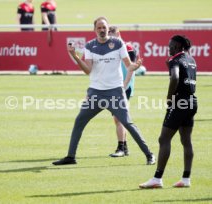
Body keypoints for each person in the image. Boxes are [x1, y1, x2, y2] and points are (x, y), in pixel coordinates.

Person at [52, 17, 155, 166]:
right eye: (99, 27)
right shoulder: (89, 46)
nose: (102, 30)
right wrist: (74, 56)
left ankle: (149, 154)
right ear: (94, 30)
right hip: (95, 93)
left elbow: (128, 65)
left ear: (108, 29)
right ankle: (71, 156)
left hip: (115, 93)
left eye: (104, 27)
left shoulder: (118, 43)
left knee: (127, 123)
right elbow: (87, 70)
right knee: (79, 121)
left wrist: (134, 67)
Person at [139, 35, 198, 189]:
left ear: (178, 46)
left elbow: (175, 78)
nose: (168, 48)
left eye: (171, 46)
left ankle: (157, 179)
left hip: (179, 102)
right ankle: (186, 179)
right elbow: (185, 78)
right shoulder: (191, 60)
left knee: (163, 139)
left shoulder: (175, 60)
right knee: (186, 141)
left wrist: (169, 98)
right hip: (192, 102)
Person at [107, 26, 136, 157]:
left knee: (119, 118)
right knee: (118, 119)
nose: (108, 37)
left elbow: (131, 68)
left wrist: (124, 86)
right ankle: (124, 147)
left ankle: (121, 148)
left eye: (110, 34)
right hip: (115, 87)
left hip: (123, 87)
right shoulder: (112, 48)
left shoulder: (127, 47)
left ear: (118, 33)